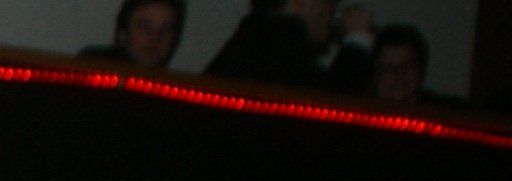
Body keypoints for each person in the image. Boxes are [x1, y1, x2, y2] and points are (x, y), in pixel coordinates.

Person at [208, 0, 377, 90]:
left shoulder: (252, 40)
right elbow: (328, 105)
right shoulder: (280, 46)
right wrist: (357, 42)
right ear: (297, 3)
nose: (333, 10)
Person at [84, 0, 186, 67]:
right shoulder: (92, 67)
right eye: (144, 26)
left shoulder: (179, 87)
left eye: (166, 29)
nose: (155, 37)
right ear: (123, 34)